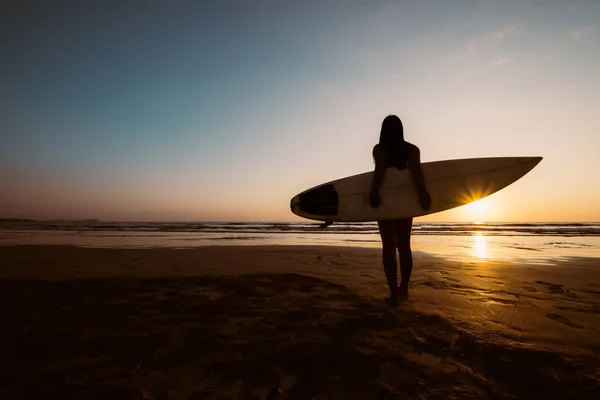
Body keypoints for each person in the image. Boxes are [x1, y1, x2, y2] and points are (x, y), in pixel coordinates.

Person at [369, 115, 431, 306]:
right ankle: (404, 288)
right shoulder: (412, 150)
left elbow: (380, 171)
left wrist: (374, 192)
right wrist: (423, 194)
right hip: (404, 203)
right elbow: (417, 173)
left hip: (386, 203)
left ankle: (393, 293)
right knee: (404, 246)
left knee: (388, 247)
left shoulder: (379, 150)